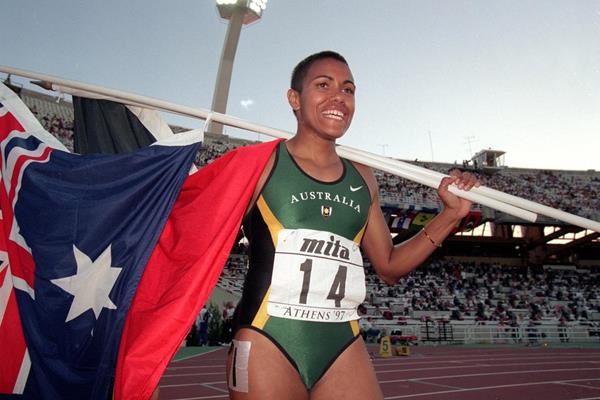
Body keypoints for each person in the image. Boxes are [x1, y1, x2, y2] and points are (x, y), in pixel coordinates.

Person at [227, 50, 480, 400]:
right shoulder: (260, 165)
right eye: (323, 85)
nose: (338, 97)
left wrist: (450, 215)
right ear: (294, 99)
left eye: (348, 89)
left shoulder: (363, 179)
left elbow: (389, 266)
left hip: (341, 342)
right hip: (266, 337)